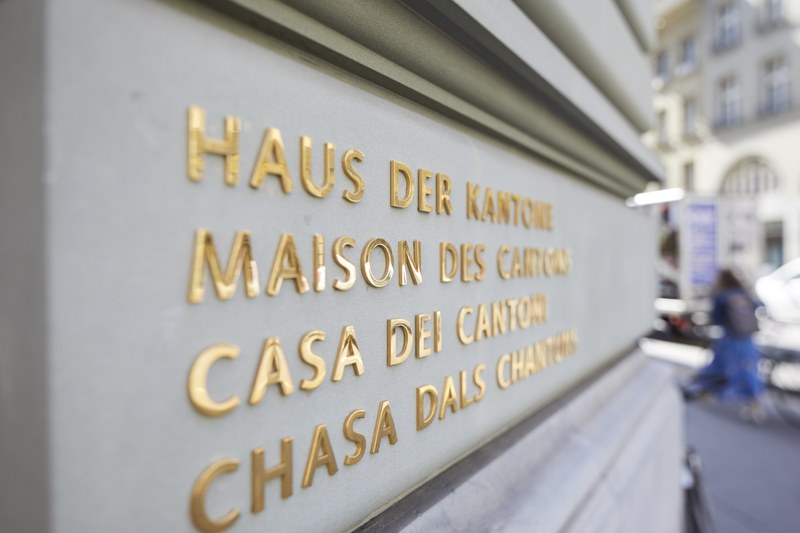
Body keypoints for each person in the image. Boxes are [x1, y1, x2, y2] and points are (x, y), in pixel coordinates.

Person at [682, 269, 765, 422]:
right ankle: (754, 403)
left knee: (721, 366)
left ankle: (705, 391)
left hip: (730, 339)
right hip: (747, 339)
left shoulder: (721, 296)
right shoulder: (743, 293)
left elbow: (716, 318)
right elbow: (759, 305)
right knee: (747, 369)